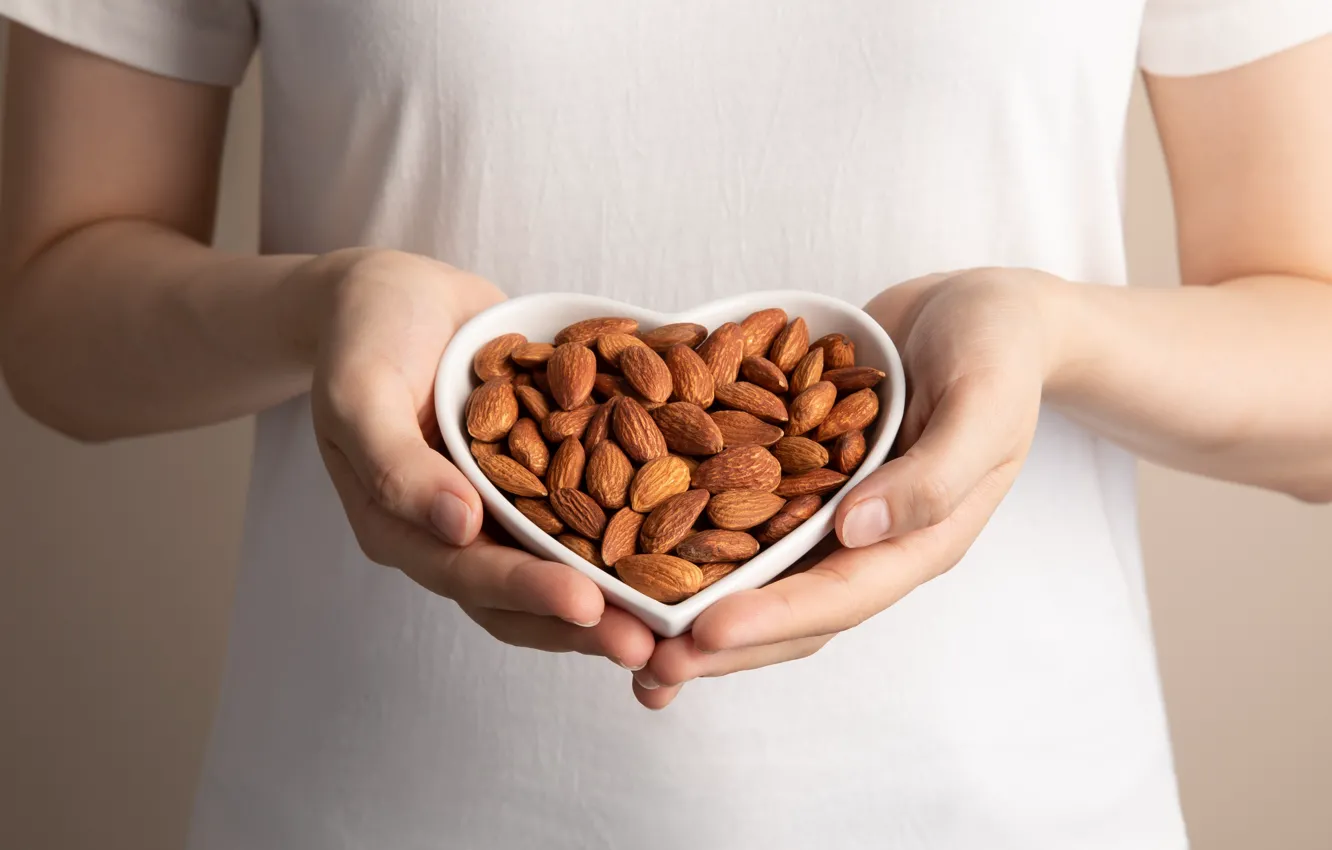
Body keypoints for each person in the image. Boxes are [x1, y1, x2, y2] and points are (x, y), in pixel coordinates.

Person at [2, 2, 1329, 848]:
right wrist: (320, 307)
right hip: (373, 812)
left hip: (1019, 810)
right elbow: (53, 312)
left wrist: (1052, 332)